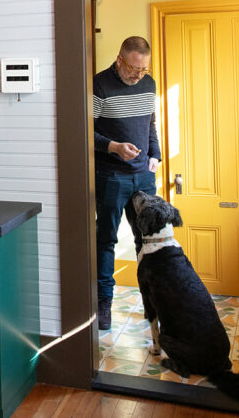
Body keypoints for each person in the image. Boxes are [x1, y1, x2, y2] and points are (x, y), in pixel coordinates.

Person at [93, 36, 161, 330]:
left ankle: (152, 303)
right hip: (110, 175)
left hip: (144, 175)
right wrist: (114, 147)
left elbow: (150, 123)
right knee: (106, 240)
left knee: (147, 241)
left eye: (143, 69)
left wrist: (155, 153)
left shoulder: (149, 84)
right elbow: (85, 131)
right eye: (133, 69)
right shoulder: (99, 85)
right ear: (119, 59)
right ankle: (104, 303)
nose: (138, 75)